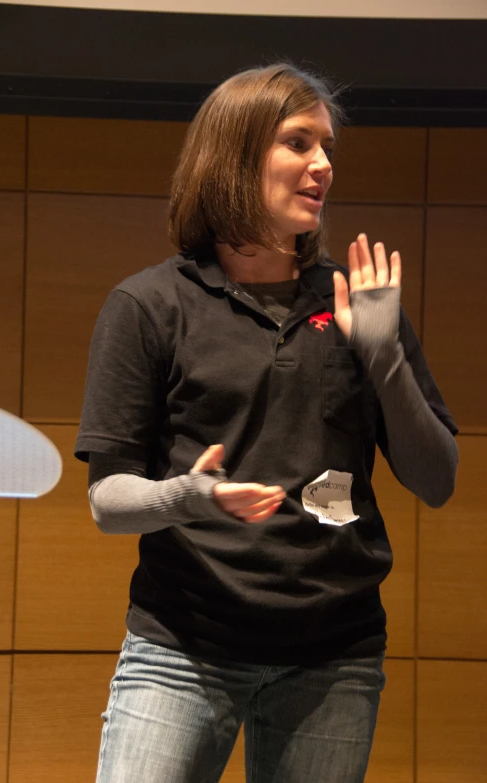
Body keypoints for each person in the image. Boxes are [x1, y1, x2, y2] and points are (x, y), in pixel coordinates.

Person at [75, 63, 459, 783]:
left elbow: (436, 479)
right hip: (181, 649)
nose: (323, 165)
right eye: (298, 142)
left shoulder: (360, 304)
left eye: (328, 149)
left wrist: (382, 356)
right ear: (236, 154)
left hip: (333, 657)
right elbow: (107, 500)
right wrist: (186, 496)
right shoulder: (149, 305)